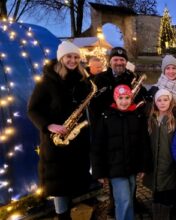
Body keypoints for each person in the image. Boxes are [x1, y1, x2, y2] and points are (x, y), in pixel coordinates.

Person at [27, 41, 92, 219]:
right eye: (69, 56)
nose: (73, 60)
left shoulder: (82, 79)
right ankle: (62, 216)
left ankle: (70, 212)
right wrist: (49, 125)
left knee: (72, 184)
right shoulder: (47, 81)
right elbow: (32, 109)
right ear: (61, 57)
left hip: (77, 140)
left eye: (76, 57)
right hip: (57, 143)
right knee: (59, 187)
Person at [91, 85, 151, 220]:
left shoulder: (137, 115)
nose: (124, 102)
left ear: (131, 98)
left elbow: (143, 143)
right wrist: (99, 172)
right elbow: (97, 146)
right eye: (120, 98)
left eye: (127, 98)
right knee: (124, 200)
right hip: (114, 168)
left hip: (132, 166)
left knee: (128, 198)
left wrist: (143, 166)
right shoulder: (106, 117)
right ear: (115, 99)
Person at [145, 89, 176, 220]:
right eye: (159, 100)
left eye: (165, 100)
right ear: (155, 103)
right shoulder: (151, 118)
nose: (162, 103)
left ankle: (166, 215)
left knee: (167, 192)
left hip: (169, 161)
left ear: (170, 101)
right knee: (156, 191)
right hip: (154, 161)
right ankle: (157, 216)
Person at [91, 47, 147, 118]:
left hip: (128, 119)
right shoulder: (100, 78)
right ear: (110, 62)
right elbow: (94, 102)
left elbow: (141, 97)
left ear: (126, 62)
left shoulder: (133, 77)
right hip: (106, 121)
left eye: (122, 60)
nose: (119, 63)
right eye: (115, 60)